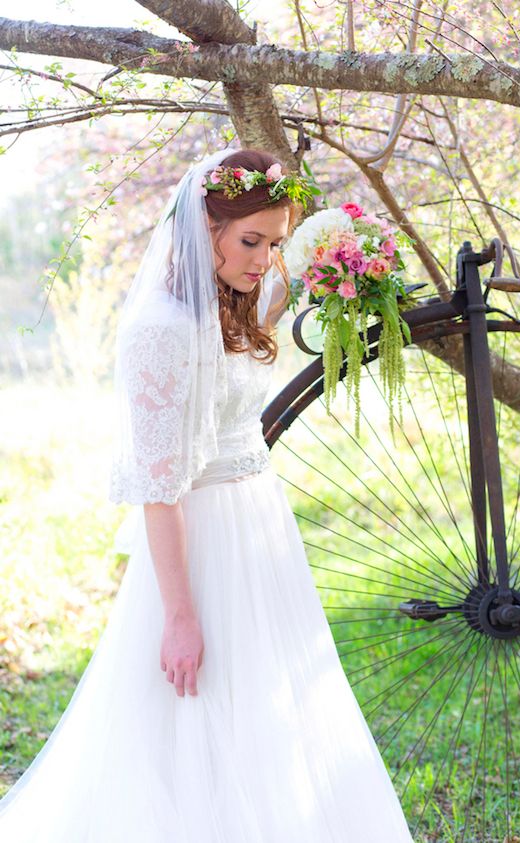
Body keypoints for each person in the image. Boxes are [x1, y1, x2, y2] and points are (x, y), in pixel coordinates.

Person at [0, 147, 415, 841]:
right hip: (200, 540)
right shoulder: (159, 330)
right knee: (197, 707)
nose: (263, 259)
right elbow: (159, 491)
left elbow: (286, 300)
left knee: (268, 699)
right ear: (206, 229)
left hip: (261, 525)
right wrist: (181, 615)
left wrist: (347, 262)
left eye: (275, 242)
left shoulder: (237, 301)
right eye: (250, 241)